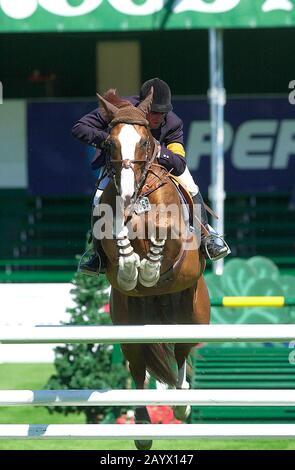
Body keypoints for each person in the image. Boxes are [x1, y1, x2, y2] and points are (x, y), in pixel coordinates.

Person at [72, 78, 230, 276]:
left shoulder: (173, 124)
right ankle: (99, 254)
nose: (158, 117)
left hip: (159, 167)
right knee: (98, 197)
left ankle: (206, 235)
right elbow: (79, 128)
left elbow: (179, 163)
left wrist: (157, 150)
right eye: (153, 112)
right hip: (124, 166)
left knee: (191, 186)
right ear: (143, 106)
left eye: (162, 113)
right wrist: (112, 142)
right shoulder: (122, 110)